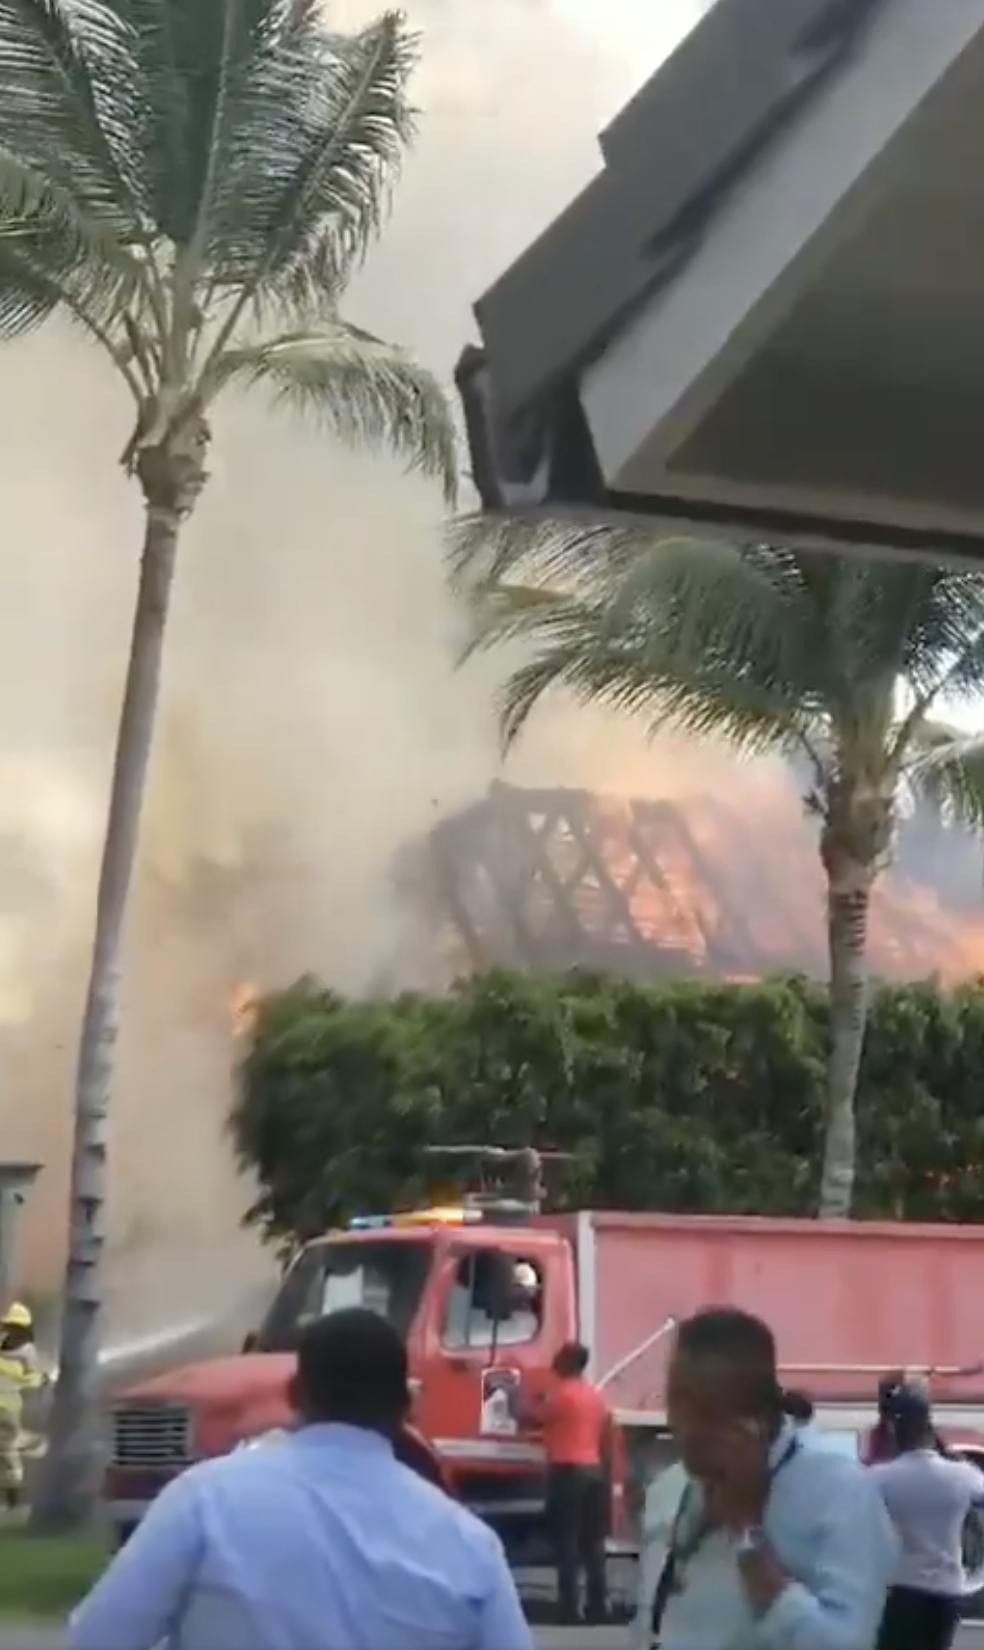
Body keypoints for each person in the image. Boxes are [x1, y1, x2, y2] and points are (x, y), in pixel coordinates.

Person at [68, 1308, 533, 1650]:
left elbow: (99, 1639)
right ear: (406, 1407)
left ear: (294, 1394)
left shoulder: (205, 1500)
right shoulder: (471, 1547)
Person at [637, 1306, 897, 1650]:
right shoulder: (670, 1489)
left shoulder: (838, 1496)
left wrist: (747, 1535)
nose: (683, 1426)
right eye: (676, 1399)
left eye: (704, 1409)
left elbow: (845, 1643)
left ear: (752, 1419)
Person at [870, 1379, 984, 1650]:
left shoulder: (880, 1479)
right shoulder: (961, 1477)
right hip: (947, 1593)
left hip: (901, 1590)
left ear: (895, 1429)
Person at [521, 1339, 611, 1624]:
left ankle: (571, 1609)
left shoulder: (561, 1395)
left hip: (568, 1471)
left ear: (569, 1363)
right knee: (593, 1543)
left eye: (559, 1358)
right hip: (594, 1470)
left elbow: (532, 1419)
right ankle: (599, 1606)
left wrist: (519, 1401)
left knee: (567, 1542)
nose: (554, 1362)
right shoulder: (594, 1395)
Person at [0, 1300, 45, 1511]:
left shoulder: (26, 1352)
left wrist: (21, 1382)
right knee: (7, 1449)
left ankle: (13, 1496)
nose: (10, 1331)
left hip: (7, 1409)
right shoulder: (6, 1344)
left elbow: (34, 1379)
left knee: (6, 1450)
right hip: (7, 1407)